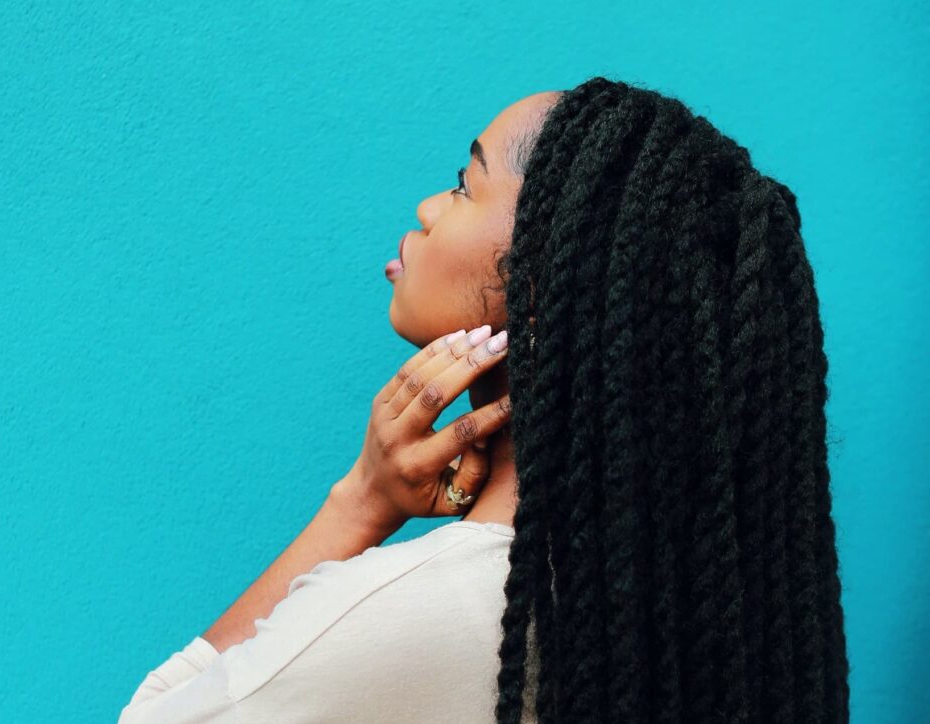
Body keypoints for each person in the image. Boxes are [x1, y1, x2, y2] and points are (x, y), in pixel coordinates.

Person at [119, 76, 850, 723]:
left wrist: (359, 506)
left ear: (540, 284)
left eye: (466, 184)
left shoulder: (416, 616)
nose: (429, 207)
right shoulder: (717, 619)